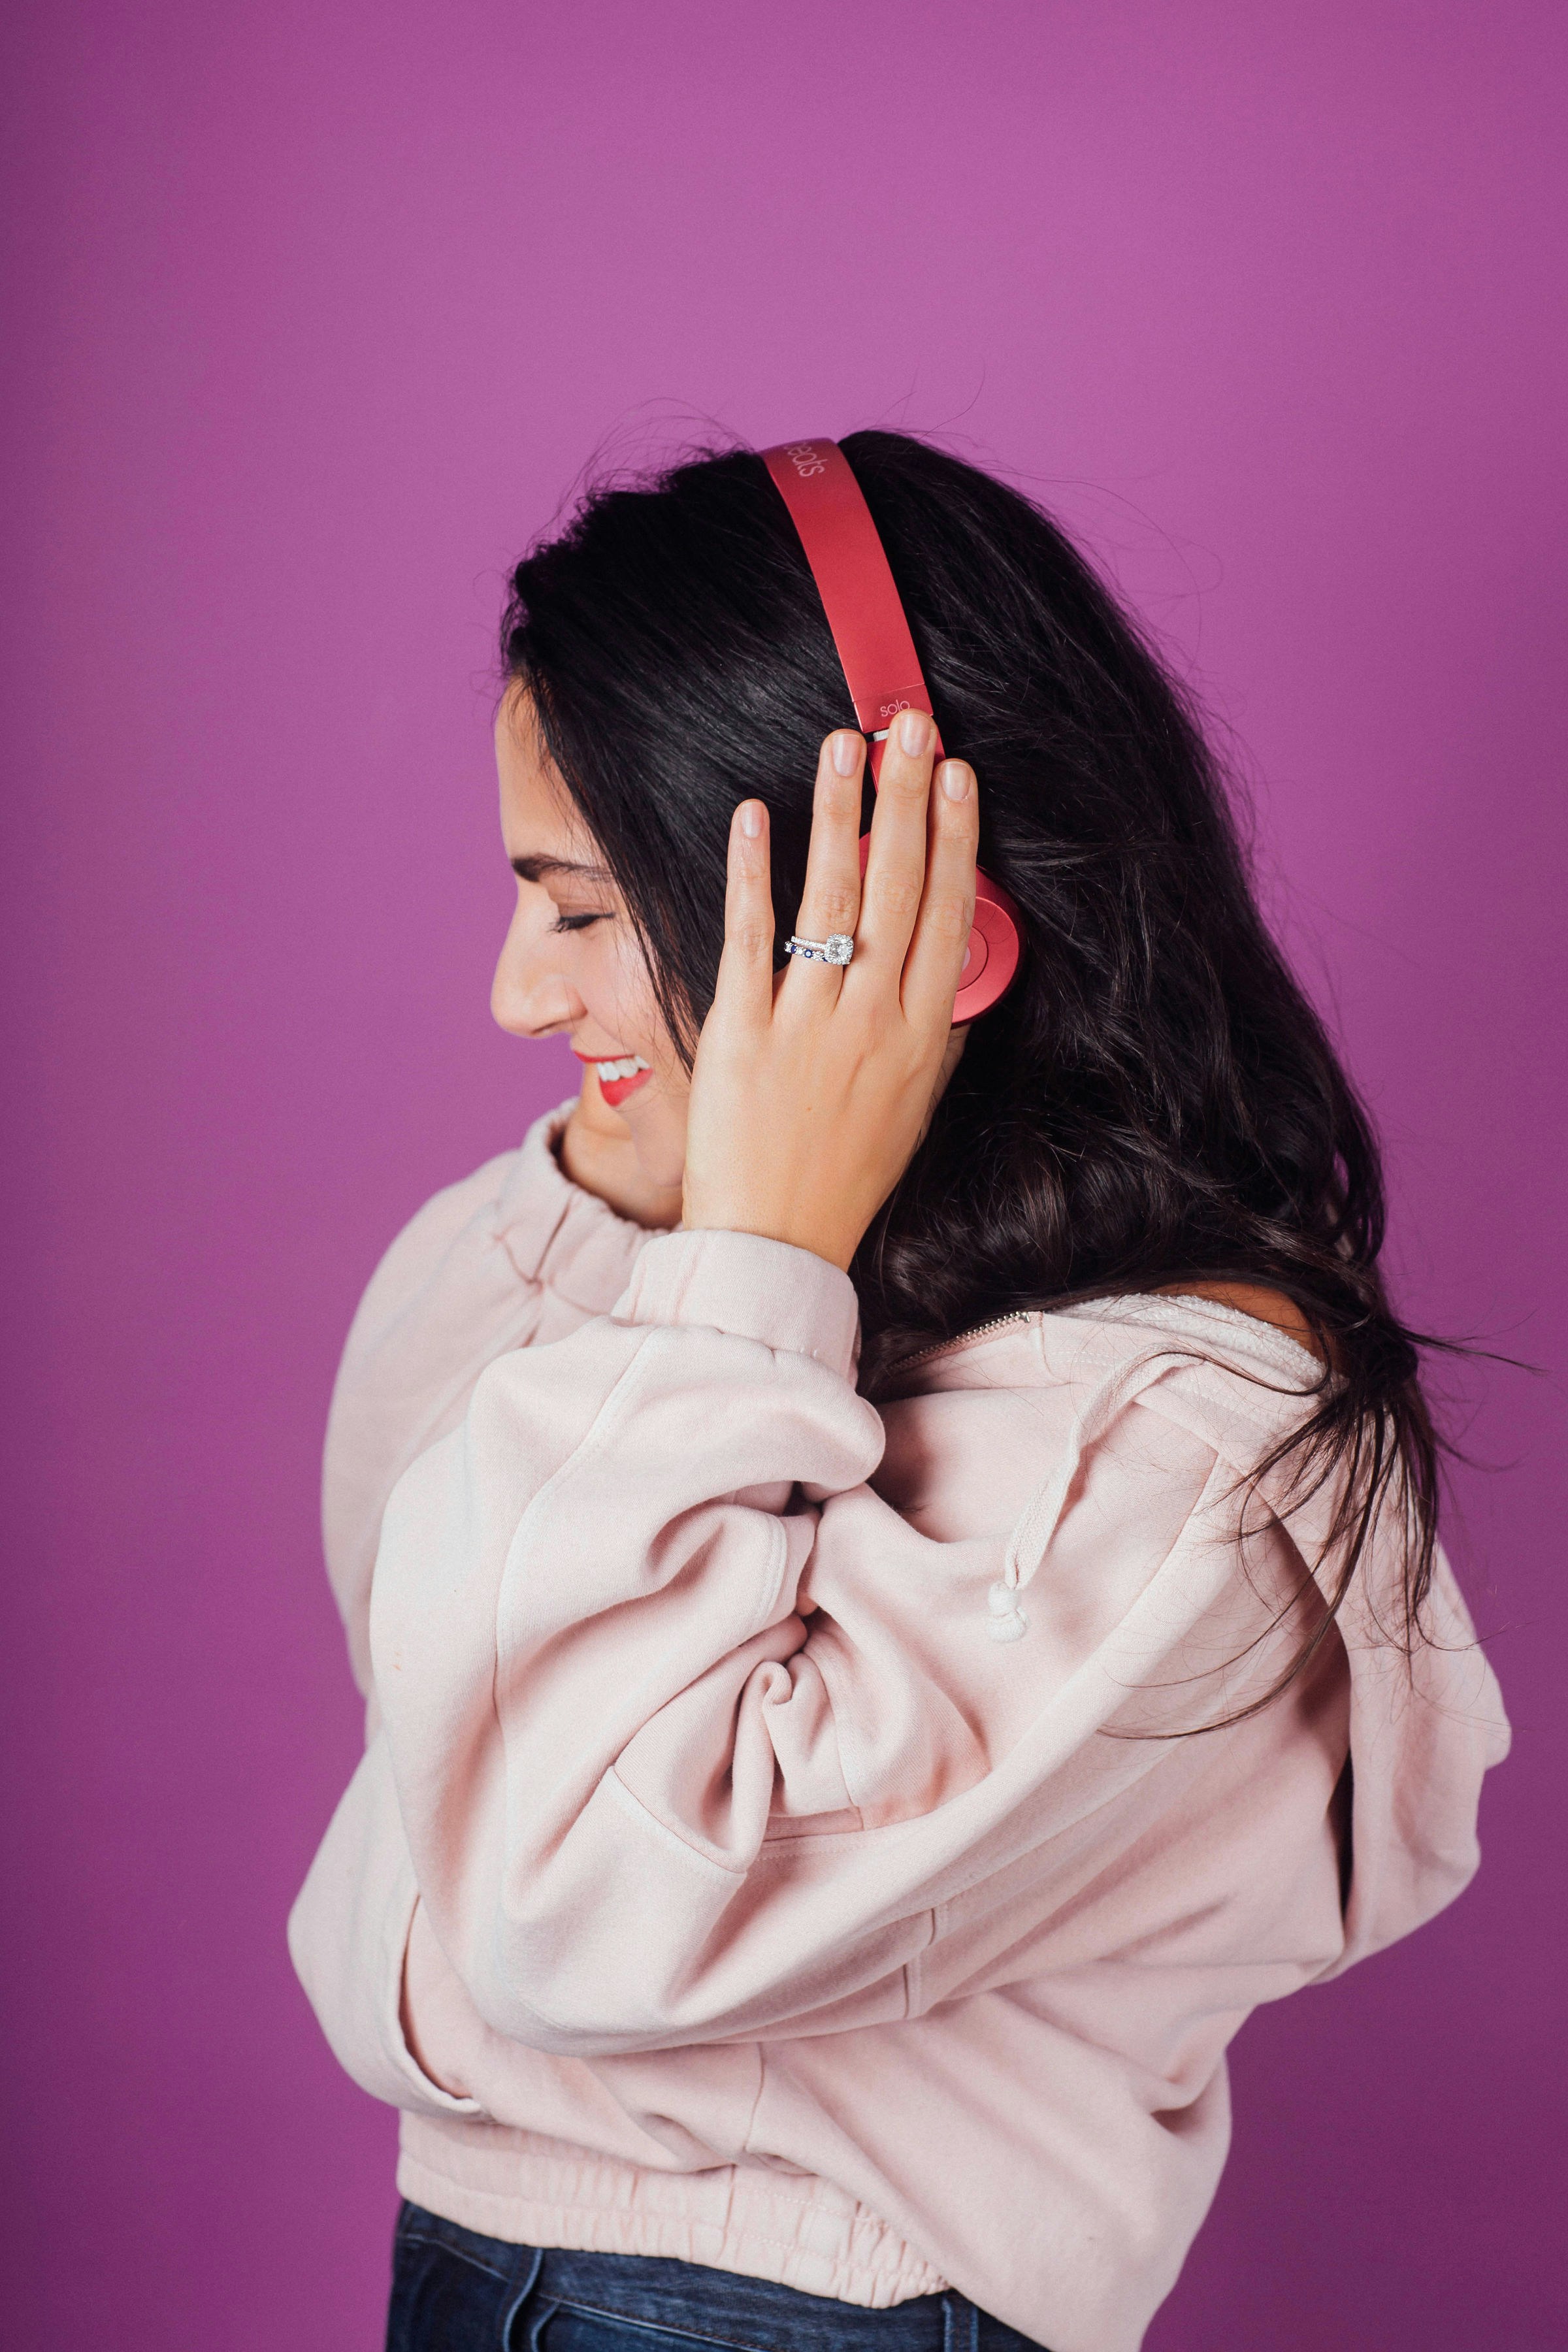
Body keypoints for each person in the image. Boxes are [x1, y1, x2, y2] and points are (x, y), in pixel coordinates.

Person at [290, 432, 1508, 2352]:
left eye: (589, 913)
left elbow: (591, 1899)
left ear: (917, 931)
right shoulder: (707, 1258)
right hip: (482, 2254)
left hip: (777, 2309)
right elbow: (426, 1618)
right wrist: (691, 1204)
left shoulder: (1162, 1449)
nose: (520, 997)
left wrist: (751, 1254)